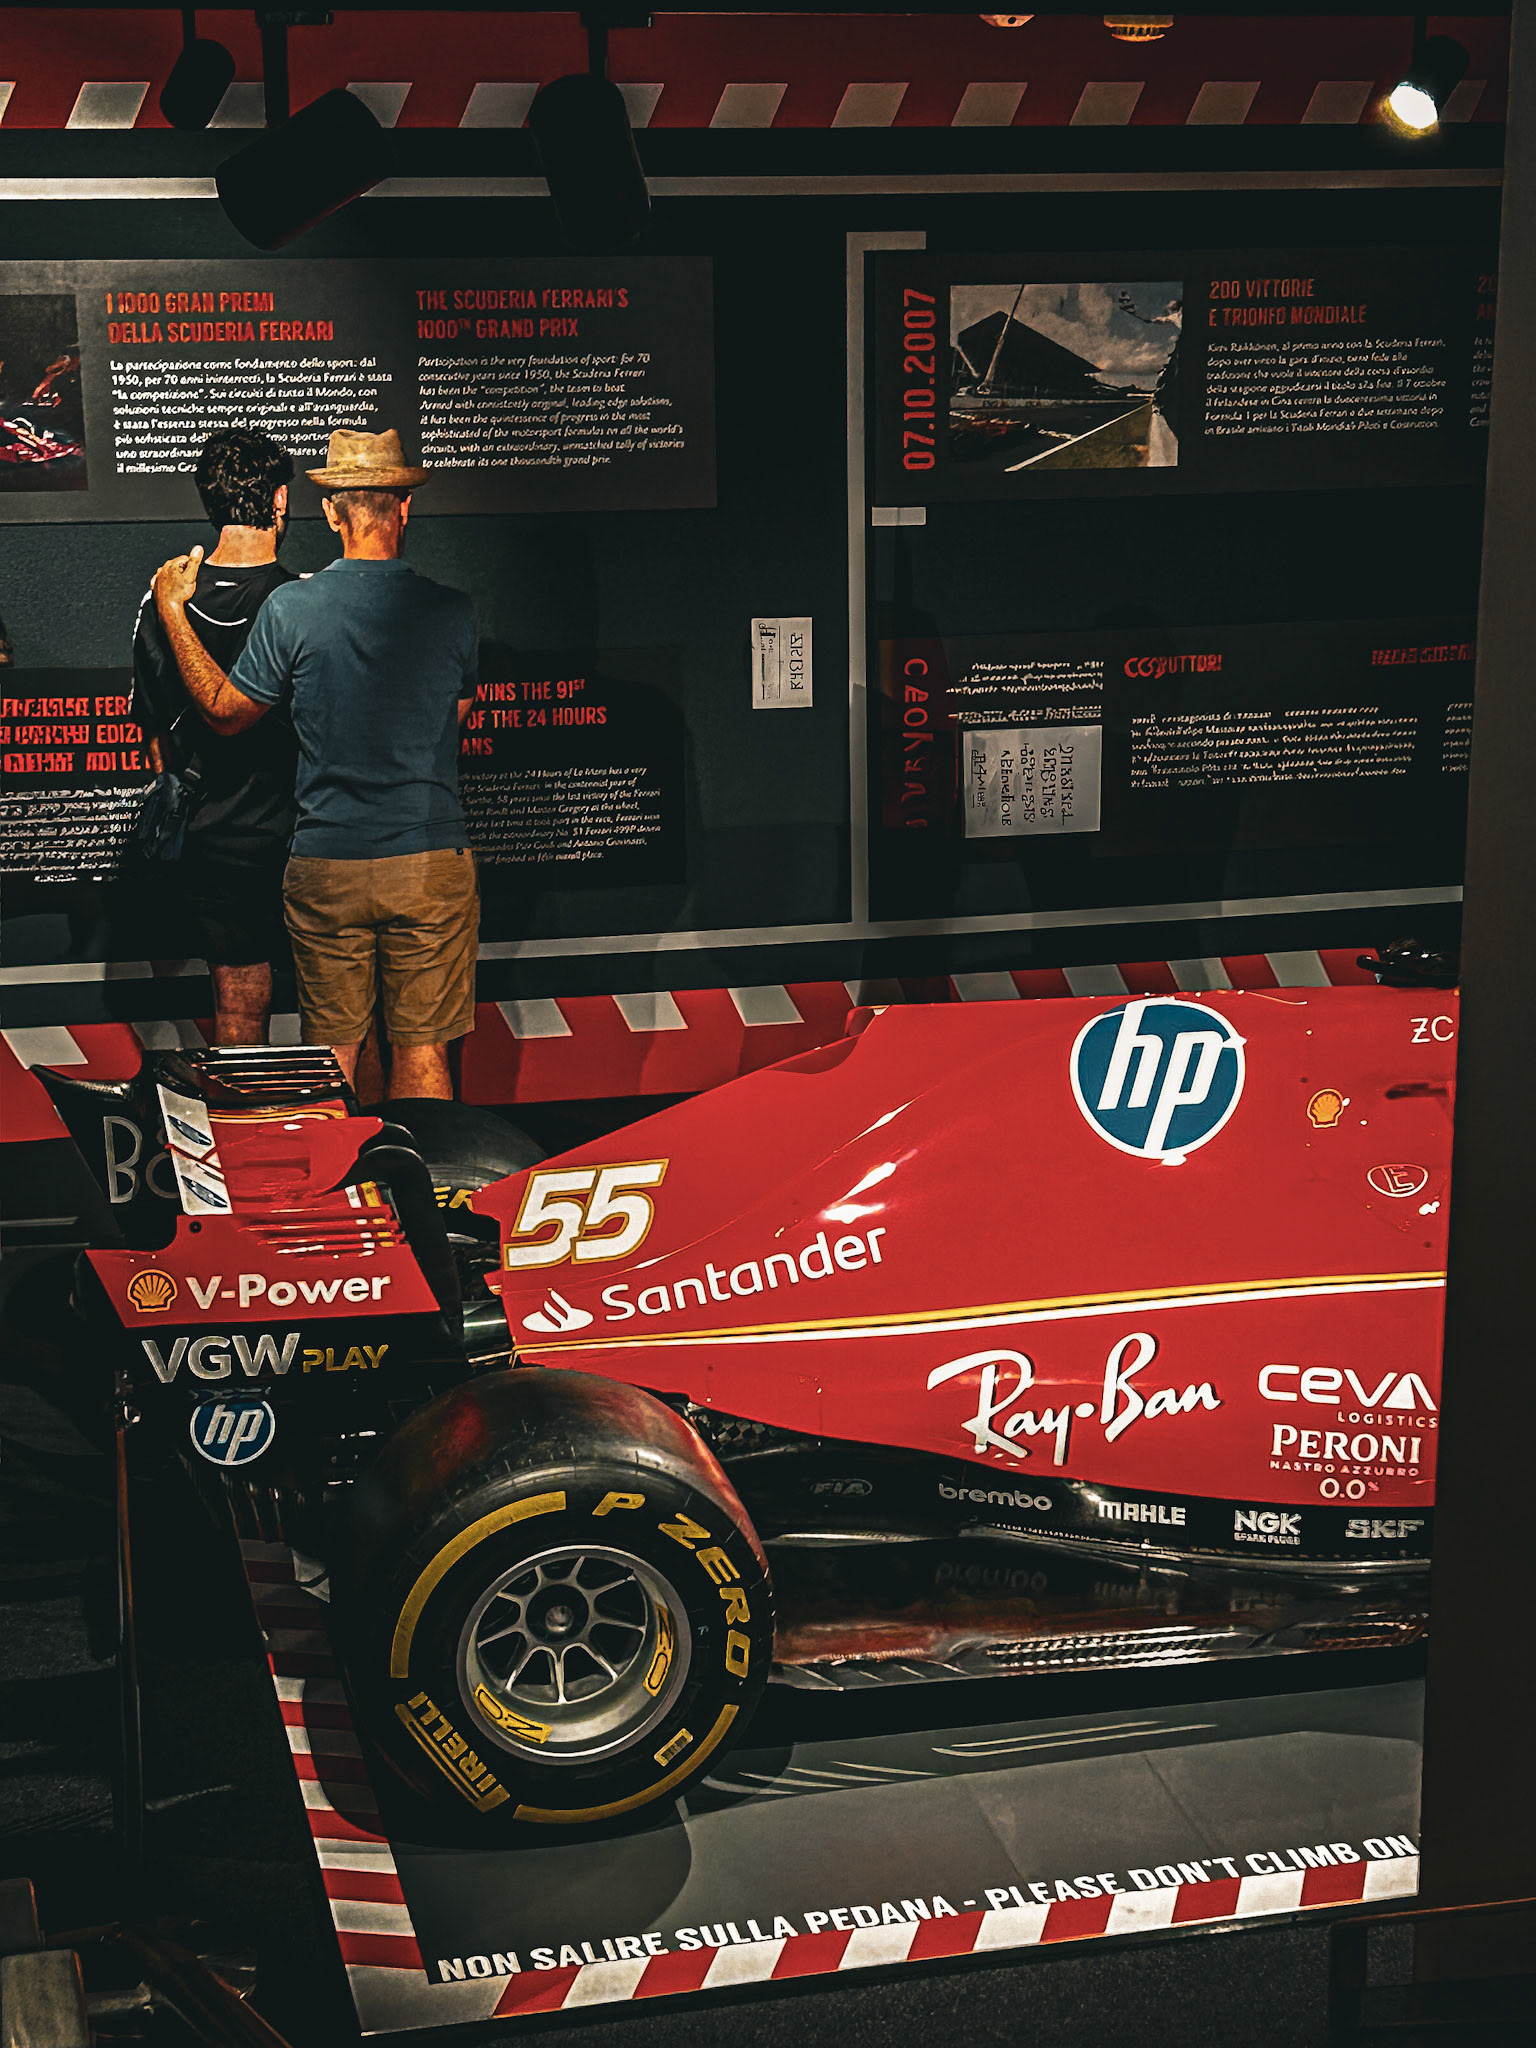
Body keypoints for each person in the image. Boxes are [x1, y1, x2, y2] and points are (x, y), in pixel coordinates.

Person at [150, 427, 479, 1102]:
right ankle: (426, 1170)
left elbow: (224, 712)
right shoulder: (453, 611)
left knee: (333, 1052)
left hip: (326, 859)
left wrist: (172, 612)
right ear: (405, 507)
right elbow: (456, 718)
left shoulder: (292, 608)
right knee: (423, 1049)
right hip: (428, 858)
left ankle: (339, 1174)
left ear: (331, 512)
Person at [131, 427, 297, 1044]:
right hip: (298, 833)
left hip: (209, 837)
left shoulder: (163, 599)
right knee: (342, 1006)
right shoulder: (301, 602)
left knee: (237, 1001)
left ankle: (239, 1111)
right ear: (279, 499)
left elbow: (154, 736)